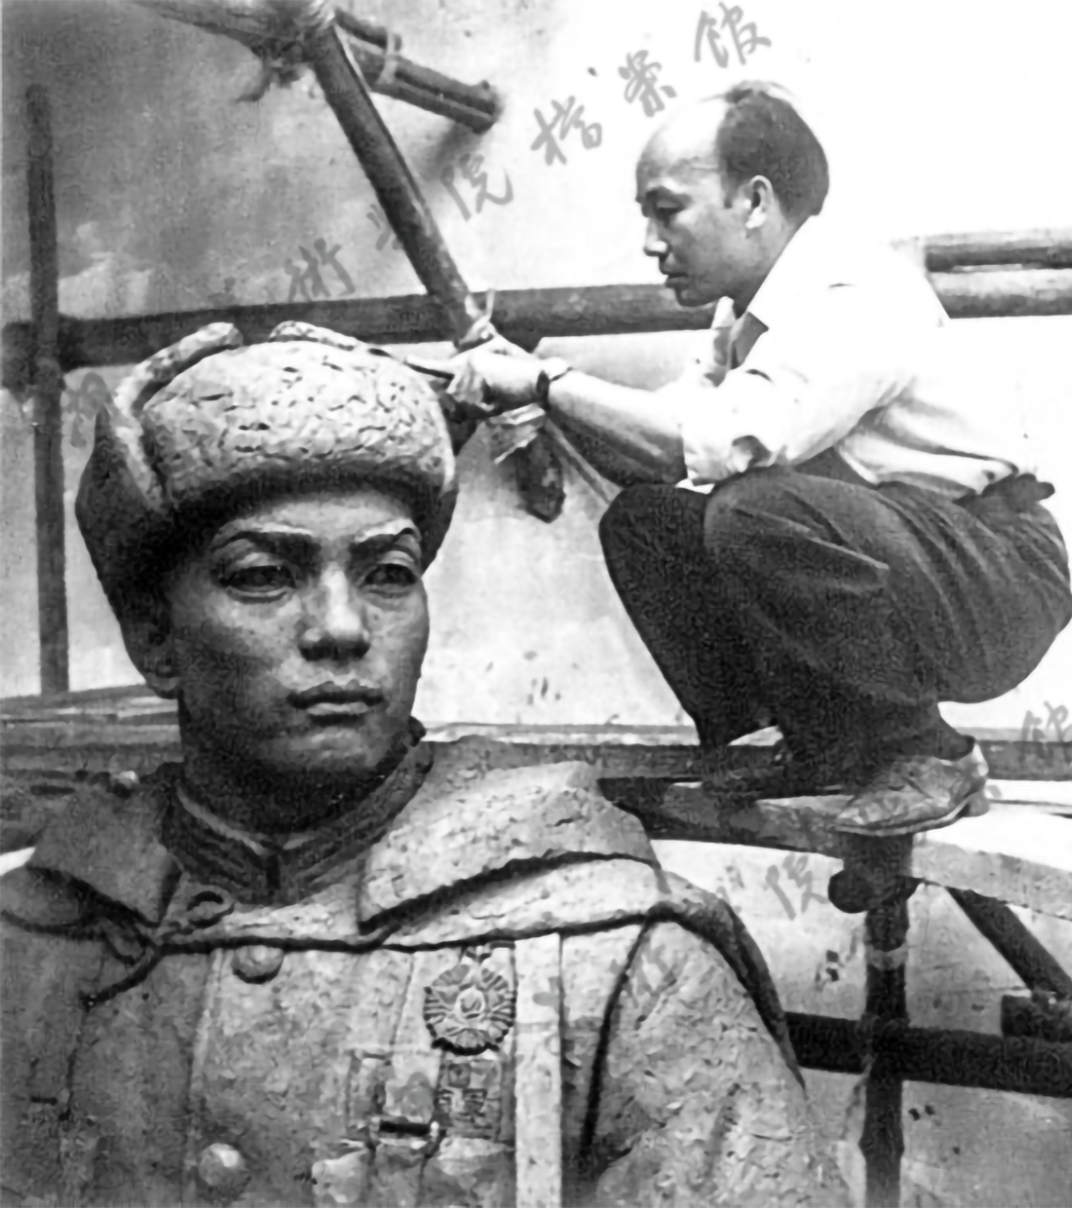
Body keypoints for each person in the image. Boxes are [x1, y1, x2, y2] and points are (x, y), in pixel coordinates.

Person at [0, 322, 848, 1207]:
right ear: (153, 637)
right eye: (263, 575)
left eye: (388, 573)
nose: (342, 629)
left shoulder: (611, 958)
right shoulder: (33, 947)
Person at [436, 80, 1072, 839]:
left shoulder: (852, 291)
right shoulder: (743, 315)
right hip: (914, 556)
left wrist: (547, 380)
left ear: (754, 201)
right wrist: (533, 390)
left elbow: (711, 442)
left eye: (667, 210)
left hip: (998, 575)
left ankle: (929, 754)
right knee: (648, 521)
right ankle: (806, 742)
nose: (651, 243)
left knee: (753, 509)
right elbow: (661, 454)